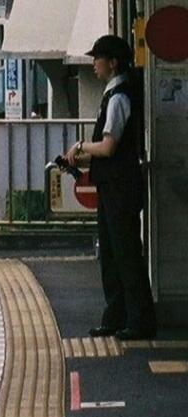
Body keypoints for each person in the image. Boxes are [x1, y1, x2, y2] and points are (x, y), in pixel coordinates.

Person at [64, 33, 156, 341]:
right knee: (114, 254)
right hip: (115, 186)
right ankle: (118, 317)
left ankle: (138, 320)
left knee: (125, 254)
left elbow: (108, 147)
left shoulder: (119, 98)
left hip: (120, 189)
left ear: (113, 62)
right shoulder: (114, 94)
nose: (93, 64)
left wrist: (80, 147)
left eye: (97, 58)